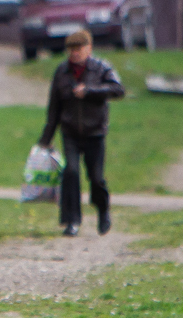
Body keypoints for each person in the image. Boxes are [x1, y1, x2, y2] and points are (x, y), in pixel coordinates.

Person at [37, 29, 124, 237]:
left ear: (89, 49)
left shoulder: (101, 68)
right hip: (71, 133)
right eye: (71, 50)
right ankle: (72, 220)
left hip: (95, 132)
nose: (75, 54)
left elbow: (118, 90)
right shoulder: (61, 72)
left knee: (96, 178)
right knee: (71, 173)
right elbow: (54, 108)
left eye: (79, 49)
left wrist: (90, 91)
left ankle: (103, 210)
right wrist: (45, 140)